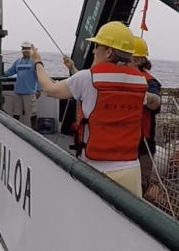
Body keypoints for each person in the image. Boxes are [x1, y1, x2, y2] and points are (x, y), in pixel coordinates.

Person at [32, 21, 158, 198]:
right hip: (131, 171)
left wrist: (37, 62)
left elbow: (49, 89)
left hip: (96, 171)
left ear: (108, 52)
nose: (93, 51)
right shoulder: (140, 82)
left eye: (97, 46)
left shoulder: (87, 78)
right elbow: (151, 100)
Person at [130, 37, 161, 194]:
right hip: (123, 141)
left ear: (136, 60)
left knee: (141, 183)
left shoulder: (150, 83)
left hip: (143, 144)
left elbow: (156, 104)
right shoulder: (120, 78)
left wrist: (146, 96)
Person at [4, 41, 41, 129]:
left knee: (32, 112)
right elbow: (10, 72)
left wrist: (38, 89)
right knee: (16, 112)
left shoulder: (34, 62)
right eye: (24, 49)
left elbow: (39, 76)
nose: (25, 51)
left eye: (27, 49)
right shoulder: (18, 61)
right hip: (18, 91)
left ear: (31, 50)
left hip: (30, 92)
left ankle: (34, 129)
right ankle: (15, 129)